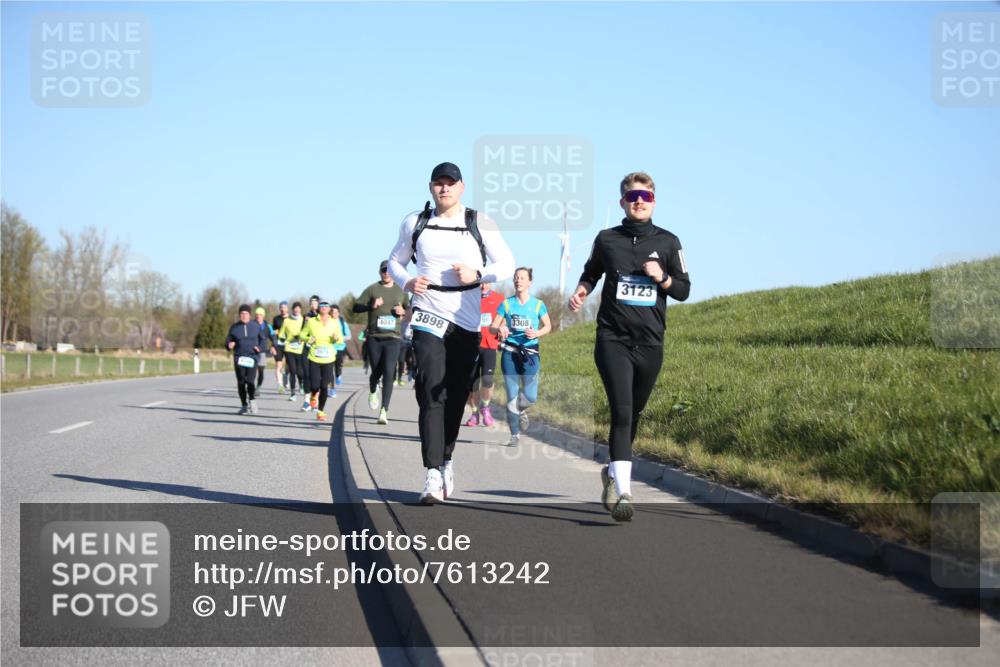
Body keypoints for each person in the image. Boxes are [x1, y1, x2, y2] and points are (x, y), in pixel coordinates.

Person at [387, 161, 514, 504]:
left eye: (450, 183)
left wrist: (478, 274)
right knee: (430, 390)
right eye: (438, 183)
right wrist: (408, 281)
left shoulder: (478, 223)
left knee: (456, 394)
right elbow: (394, 262)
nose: (444, 188)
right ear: (430, 187)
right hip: (428, 312)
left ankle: (446, 460)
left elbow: (506, 264)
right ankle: (430, 474)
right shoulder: (416, 222)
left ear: (461, 187)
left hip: (466, 320)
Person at [568, 171, 691, 522]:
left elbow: (683, 290)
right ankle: (624, 491)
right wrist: (581, 290)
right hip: (613, 338)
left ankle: (612, 471)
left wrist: (662, 277)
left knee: (633, 413)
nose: (639, 201)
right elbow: (591, 272)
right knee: (621, 411)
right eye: (633, 196)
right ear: (622, 201)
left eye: (646, 197)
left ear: (654, 201)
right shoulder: (607, 239)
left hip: (651, 343)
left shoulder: (668, 242)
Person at [492, 268, 551, 446]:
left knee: (531, 396)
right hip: (510, 352)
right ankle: (514, 435)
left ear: (529, 282)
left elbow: (548, 326)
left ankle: (521, 410)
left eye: (523, 278)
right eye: (516, 278)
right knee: (511, 394)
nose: (519, 281)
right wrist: (499, 329)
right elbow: (492, 327)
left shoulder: (538, 304)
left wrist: (537, 332)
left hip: (530, 353)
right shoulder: (506, 304)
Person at [354, 260, 410, 425]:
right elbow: (356, 308)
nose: (386, 273)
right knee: (377, 370)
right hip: (374, 337)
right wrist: (371, 305)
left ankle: (384, 410)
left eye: (388, 270)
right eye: (383, 271)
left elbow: (411, 312)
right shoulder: (372, 289)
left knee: (389, 371)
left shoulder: (401, 290)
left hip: (393, 338)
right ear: (380, 272)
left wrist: (403, 312)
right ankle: (373, 388)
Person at [464, 282, 505, 428]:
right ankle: (474, 413)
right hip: (471, 345)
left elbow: (504, 319)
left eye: (486, 283)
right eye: (481, 283)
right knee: (472, 382)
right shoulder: (469, 298)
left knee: (487, 380)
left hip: (490, 345)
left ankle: (485, 407)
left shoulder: (499, 299)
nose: (483, 286)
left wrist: (502, 328)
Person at [297, 300, 344, 422]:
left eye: (326, 306)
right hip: (314, 357)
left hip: (328, 358)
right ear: (319, 309)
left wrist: (336, 338)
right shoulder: (311, 321)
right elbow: (301, 335)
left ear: (329, 309)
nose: (323, 308)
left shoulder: (334, 323)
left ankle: (321, 411)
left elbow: (340, 340)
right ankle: (313, 395)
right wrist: (308, 339)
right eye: (321, 306)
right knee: (315, 385)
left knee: (324, 386)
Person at [226, 304, 268, 415]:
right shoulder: (234, 327)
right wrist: (229, 344)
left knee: (250, 381)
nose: (244, 315)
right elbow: (228, 340)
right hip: (239, 357)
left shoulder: (255, 326)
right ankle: (244, 405)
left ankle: (252, 400)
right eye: (242, 313)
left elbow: (263, 341)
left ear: (250, 315)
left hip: (252, 357)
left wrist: (259, 348)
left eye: (246, 313)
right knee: (241, 382)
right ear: (239, 315)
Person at [277, 301, 306, 401]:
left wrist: (301, 338)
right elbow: (281, 335)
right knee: (292, 371)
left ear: (300, 310)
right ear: (292, 309)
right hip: (289, 349)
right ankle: (293, 393)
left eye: (299, 308)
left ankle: (301, 385)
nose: (297, 310)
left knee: (300, 373)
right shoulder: (286, 321)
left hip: (300, 349)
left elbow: (307, 333)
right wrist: (283, 340)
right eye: (295, 308)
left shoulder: (303, 320)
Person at [300, 295, 321, 411]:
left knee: (316, 377)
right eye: (311, 303)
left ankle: (315, 401)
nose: (313, 305)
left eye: (315, 303)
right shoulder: (306, 317)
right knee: (306, 375)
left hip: (318, 349)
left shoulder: (322, 317)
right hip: (307, 348)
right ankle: (306, 401)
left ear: (318, 304)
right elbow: (301, 332)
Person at [330, 304, 351, 394]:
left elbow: (348, 336)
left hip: (340, 348)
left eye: (336, 312)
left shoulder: (342, 322)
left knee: (338, 366)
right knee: (329, 369)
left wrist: (339, 338)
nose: (334, 314)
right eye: (332, 312)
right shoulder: (328, 322)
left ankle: (338, 375)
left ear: (338, 313)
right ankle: (332, 389)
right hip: (330, 348)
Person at [253, 307, 274, 390]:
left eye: (260, 315)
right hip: (252, 351)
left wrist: (273, 346)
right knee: (252, 371)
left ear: (263, 316)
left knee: (261, 371)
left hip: (262, 351)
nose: (258, 316)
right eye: (257, 315)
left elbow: (274, 338)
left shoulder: (268, 326)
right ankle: (251, 387)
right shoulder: (251, 324)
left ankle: (258, 387)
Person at [272, 301, 289, 392]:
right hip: (279, 344)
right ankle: (280, 384)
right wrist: (272, 346)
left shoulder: (291, 318)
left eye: (284, 307)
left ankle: (286, 376)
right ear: (279, 309)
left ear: (287, 308)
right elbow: (274, 333)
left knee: (289, 366)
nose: (283, 309)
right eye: (281, 307)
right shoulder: (276, 319)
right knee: (278, 365)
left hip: (289, 344)